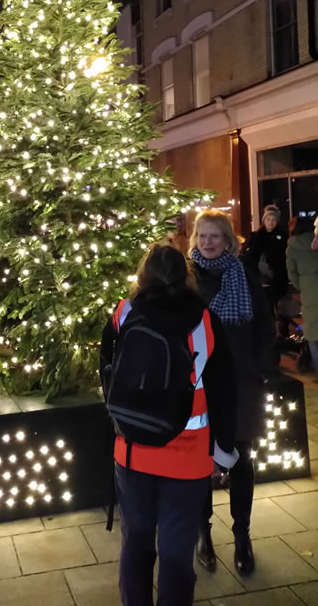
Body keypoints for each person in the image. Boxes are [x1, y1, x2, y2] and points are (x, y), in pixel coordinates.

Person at [100, 244, 237, 606]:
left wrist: (120, 419)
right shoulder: (206, 322)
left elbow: (107, 372)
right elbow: (224, 390)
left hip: (132, 452)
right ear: (187, 276)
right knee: (177, 553)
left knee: (136, 544)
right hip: (187, 457)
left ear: (142, 277)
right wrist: (224, 452)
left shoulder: (123, 314)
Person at [191, 209, 275, 575]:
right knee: (197, 464)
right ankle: (203, 535)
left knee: (241, 458)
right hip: (201, 386)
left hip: (240, 383)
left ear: (228, 240)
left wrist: (258, 367)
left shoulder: (245, 276)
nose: (208, 243)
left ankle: (242, 535)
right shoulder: (187, 280)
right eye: (202, 236)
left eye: (215, 236)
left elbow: (265, 328)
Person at [243, 205, 288, 331]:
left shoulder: (282, 237)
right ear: (264, 220)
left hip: (276, 278)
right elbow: (250, 257)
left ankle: (279, 331)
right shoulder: (256, 237)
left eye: (273, 220)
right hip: (259, 278)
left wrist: (272, 269)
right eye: (268, 219)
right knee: (265, 306)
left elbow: (282, 258)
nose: (271, 222)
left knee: (275, 305)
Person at [286, 216, 318, 372]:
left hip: (308, 289)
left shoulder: (292, 248)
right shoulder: (316, 242)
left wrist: (302, 286)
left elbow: (292, 274)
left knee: (312, 330)